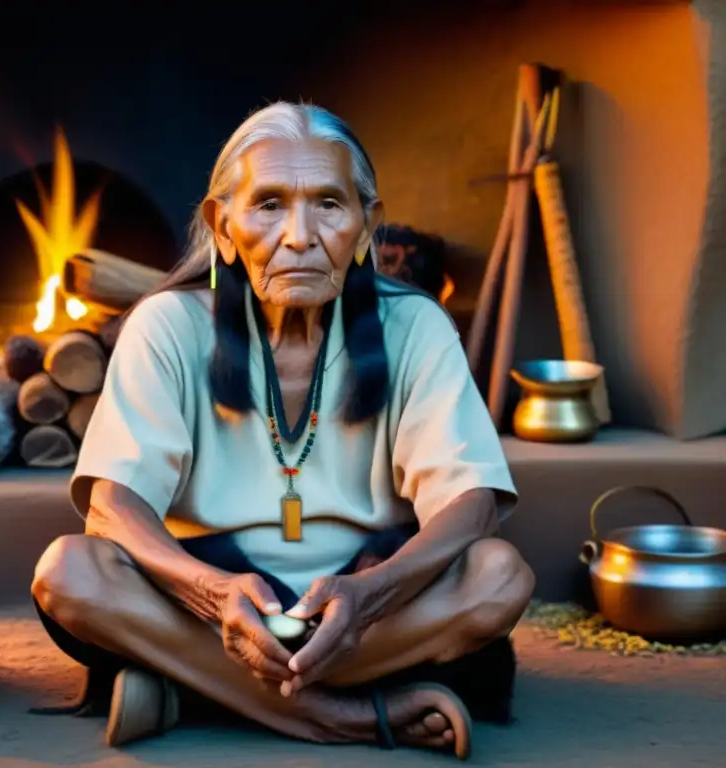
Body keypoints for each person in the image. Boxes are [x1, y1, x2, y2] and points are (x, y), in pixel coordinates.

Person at [31, 101, 535, 760]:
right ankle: (342, 716)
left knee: (499, 577)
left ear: (364, 226)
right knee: (69, 572)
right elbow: (112, 505)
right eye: (268, 205)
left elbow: (470, 506)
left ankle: (196, 689)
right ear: (223, 228)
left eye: (328, 204)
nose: (299, 234)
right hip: (209, 601)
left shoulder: (415, 326)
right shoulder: (167, 324)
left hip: (369, 601)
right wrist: (210, 594)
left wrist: (371, 592)